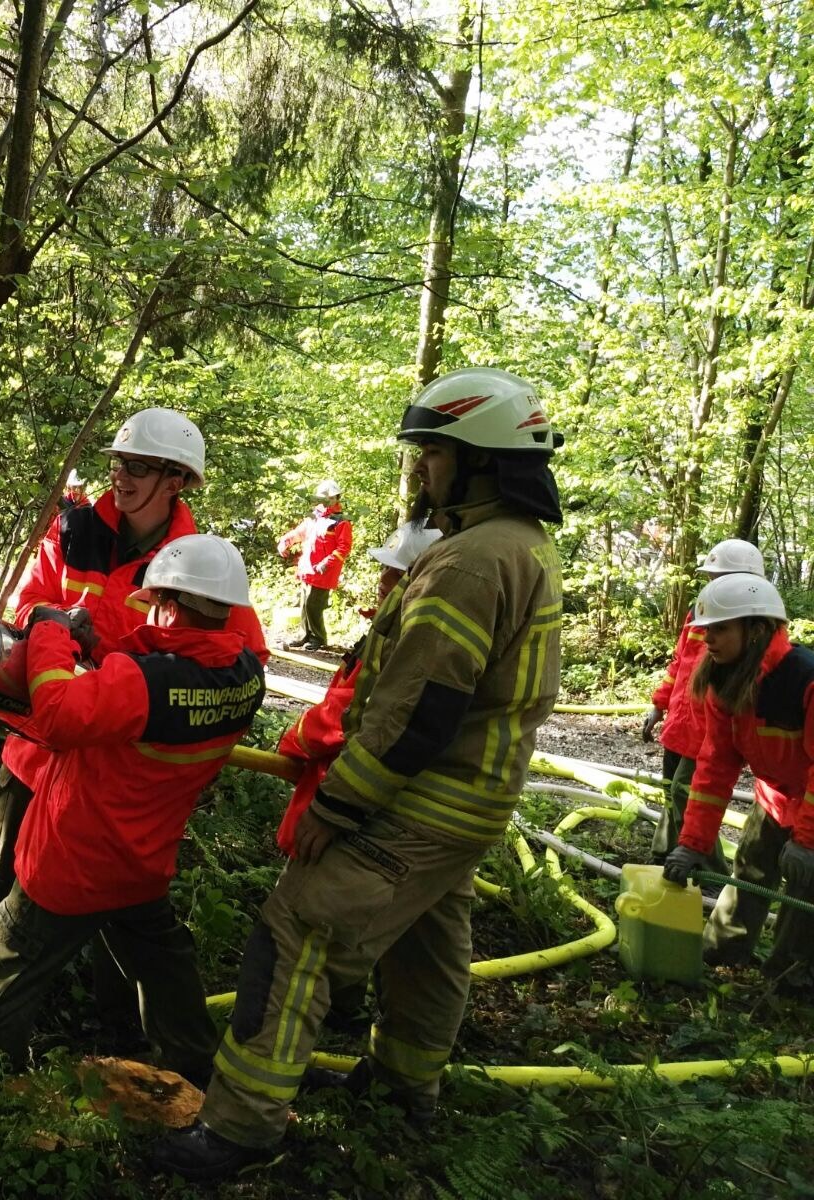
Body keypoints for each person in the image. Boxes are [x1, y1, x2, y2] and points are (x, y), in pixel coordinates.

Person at [150, 366, 564, 1181]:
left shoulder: (470, 562)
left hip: (422, 801)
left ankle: (240, 1127)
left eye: (434, 454)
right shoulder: (524, 547)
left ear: (479, 460)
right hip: (472, 804)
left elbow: (417, 711)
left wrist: (337, 808)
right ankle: (405, 1088)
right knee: (427, 944)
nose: (423, 470)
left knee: (298, 929)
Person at [0, 409, 269, 1032]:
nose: (120, 476)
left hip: (115, 777)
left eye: (138, 467)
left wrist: (158, 705)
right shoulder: (73, 531)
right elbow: (29, 603)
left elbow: (237, 659)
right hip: (36, 749)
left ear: (176, 480)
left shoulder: (196, 565)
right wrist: (58, 628)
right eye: (118, 462)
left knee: (114, 902)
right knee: (6, 879)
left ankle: (111, 1025)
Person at [0, 536, 267, 1115]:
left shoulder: (144, 683)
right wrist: (99, 645)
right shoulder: (243, 677)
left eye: (155, 603)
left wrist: (50, 632)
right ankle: (195, 1072)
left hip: (72, 863)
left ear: (169, 606)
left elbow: (60, 714)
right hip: (142, 866)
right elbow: (163, 681)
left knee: (8, 970)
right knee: (165, 969)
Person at [662, 574, 814, 993]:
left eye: (720, 628)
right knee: (751, 866)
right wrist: (693, 843)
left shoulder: (804, 681)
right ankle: (722, 953)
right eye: (705, 629)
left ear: (757, 629)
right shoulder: (724, 680)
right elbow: (715, 766)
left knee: (805, 891)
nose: (707, 638)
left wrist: (806, 841)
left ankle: (790, 982)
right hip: (776, 797)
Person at [274, 520, 443, 857]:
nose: (384, 579)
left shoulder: (405, 641)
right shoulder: (390, 629)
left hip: (344, 791)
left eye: (397, 574)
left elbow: (348, 710)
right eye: (385, 569)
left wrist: (295, 740)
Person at [641, 538, 766, 872]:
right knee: (671, 789)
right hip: (680, 724)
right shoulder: (698, 613)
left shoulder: (749, 627)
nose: (713, 584)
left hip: (709, 731)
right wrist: (659, 705)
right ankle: (666, 852)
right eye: (711, 578)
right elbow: (679, 663)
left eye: (720, 578)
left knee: (687, 793)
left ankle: (710, 872)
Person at [278, 480, 353, 651]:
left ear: (336, 498)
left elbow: (344, 547)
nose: (326, 501)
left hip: (324, 571)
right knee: (305, 603)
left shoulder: (341, 522)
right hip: (308, 568)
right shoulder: (315, 516)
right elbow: (300, 533)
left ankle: (318, 637)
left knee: (314, 605)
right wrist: (285, 541)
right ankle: (304, 635)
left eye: (329, 498)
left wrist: (327, 562)